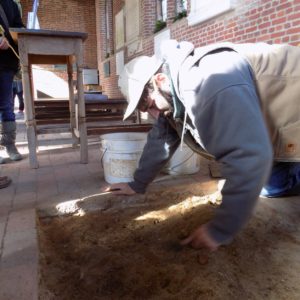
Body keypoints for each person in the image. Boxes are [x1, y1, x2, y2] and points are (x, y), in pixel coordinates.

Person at [106, 39, 300, 251]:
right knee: (257, 183)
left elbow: (250, 157)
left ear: (159, 79)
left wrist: (219, 230)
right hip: (277, 121)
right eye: (145, 111)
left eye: (149, 105)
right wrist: (137, 184)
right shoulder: (171, 92)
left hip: (293, 104)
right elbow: (160, 138)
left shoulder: (209, 82)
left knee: (257, 179)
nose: (153, 114)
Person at [0, 0, 24, 164]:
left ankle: (10, 145)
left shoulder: (12, 5)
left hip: (6, 62)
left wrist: (14, 36)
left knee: (7, 105)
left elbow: (18, 27)